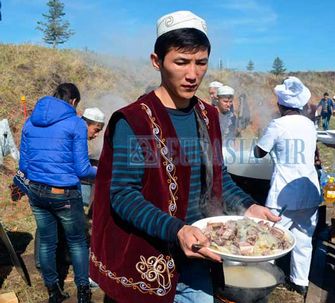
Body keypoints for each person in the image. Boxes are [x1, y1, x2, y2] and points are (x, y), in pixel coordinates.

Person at [89, 10, 279, 303]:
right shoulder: (135, 121)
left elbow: (218, 177)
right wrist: (176, 229)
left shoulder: (208, 115)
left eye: (200, 62)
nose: (192, 74)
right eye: (181, 62)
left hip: (199, 256)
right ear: (157, 62)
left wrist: (247, 206)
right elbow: (123, 194)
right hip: (150, 255)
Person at [19, 83, 95, 303]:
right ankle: (83, 293)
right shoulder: (75, 124)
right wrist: (104, 171)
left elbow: (24, 165)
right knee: (78, 242)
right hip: (65, 193)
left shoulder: (29, 122)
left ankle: (53, 292)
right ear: (73, 101)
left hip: (36, 191)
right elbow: (82, 170)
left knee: (46, 242)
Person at [254, 77, 321, 297]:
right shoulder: (309, 124)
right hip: (310, 190)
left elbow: (259, 152)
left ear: (281, 105)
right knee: (304, 238)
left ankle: (264, 280)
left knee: (270, 237)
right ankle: (300, 282)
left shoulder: (278, 124)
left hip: (284, 194)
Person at [81, 107, 105, 206]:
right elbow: (81, 169)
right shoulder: (77, 138)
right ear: (86, 124)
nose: (96, 135)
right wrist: (97, 170)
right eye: (96, 130)